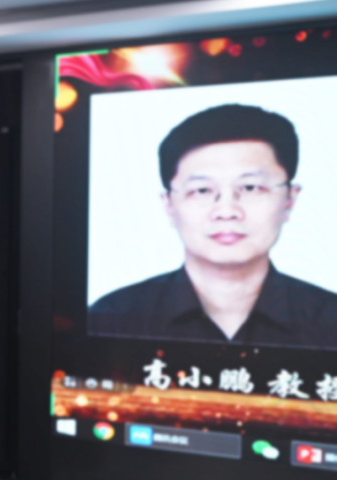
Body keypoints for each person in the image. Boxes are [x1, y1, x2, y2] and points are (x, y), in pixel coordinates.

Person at [89, 104, 337, 348]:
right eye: (202, 190)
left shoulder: (329, 319)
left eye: (250, 187)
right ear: (169, 205)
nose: (227, 212)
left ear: (289, 200)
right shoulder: (112, 317)